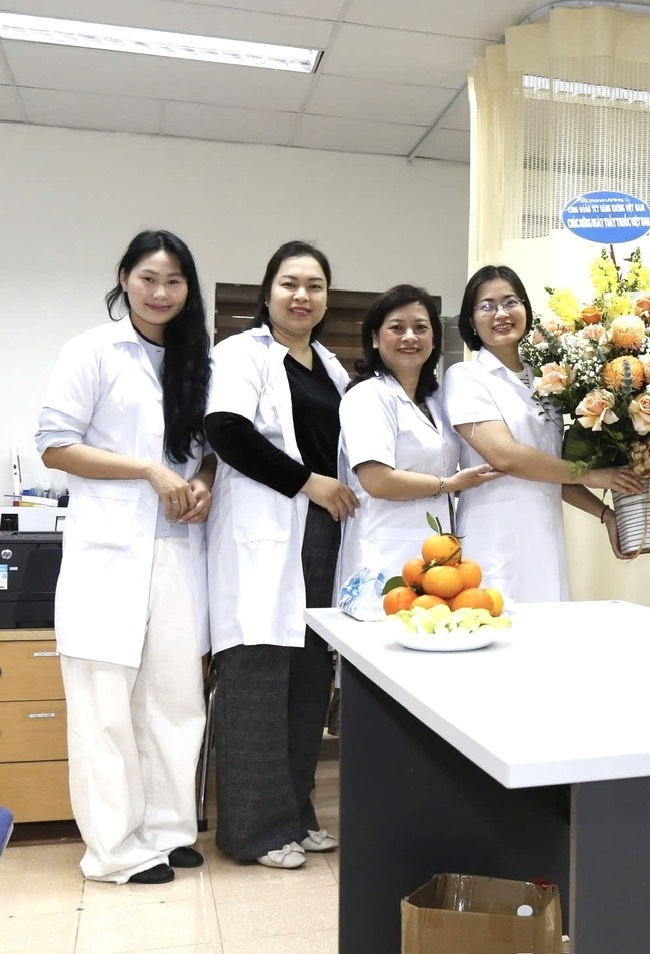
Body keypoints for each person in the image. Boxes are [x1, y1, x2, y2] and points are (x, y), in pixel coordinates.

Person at [37, 230, 214, 884]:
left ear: (188, 288)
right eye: (148, 278)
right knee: (104, 705)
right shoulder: (92, 350)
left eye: (174, 281)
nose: (161, 292)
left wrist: (203, 482)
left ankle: (167, 831)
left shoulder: (197, 362)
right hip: (108, 553)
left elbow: (208, 452)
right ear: (124, 278)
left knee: (174, 699)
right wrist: (147, 469)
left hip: (177, 550)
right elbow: (55, 445)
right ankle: (114, 849)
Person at [204, 240, 358, 869]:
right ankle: (254, 831)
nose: (302, 296)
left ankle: (297, 814)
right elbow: (226, 431)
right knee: (257, 677)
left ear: (326, 299)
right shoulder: (240, 353)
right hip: (264, 534)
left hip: (320, 536)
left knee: (308, 676)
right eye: (290, 283)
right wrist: (309, 483)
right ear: (267, 292)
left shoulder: (331, 368)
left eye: (315, 286)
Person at [441, 265, 644, 603]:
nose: (501, 313)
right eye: (487, 306)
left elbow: (552, 472)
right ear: (471, 320)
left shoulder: (547, 379)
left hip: (545, 543)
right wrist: (593, 475)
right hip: (495, 542)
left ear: (525, 308)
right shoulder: (466, 377)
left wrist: (606, 515)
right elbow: (506, 457)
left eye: (510, 302)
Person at [337, 284, 502, 588]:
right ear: (375, 338)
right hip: (383, 554)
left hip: (435, 556)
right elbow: (377, 480)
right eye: (397, 328)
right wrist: (451, 484)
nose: (410, 337)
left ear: (434, 339)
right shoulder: (368, 396)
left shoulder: (437, 401)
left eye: (421, 328)